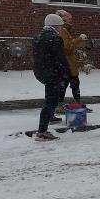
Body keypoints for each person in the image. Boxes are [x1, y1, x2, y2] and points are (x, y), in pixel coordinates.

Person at [32, 13, 71, 142]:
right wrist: (66, 73)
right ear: (55, 26)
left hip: (41, 73)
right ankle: (42, 132)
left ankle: (47, 121)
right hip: (52, 74)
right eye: (60, 26)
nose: (61, 29)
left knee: (51, 100)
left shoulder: (37, 37)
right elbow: (60, 58)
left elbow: (38, 58)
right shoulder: (55, 38)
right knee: (50, 102)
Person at [55, 9, 89, 111]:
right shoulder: (62, 31)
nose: (71, 20)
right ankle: (59, 106)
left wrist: (78, 56)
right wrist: (79, 39)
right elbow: (67, 48)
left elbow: (69, 48)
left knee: (74, 85)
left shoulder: (66, 30)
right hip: (66, 66)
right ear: (62, 19)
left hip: (70, 65)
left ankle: (77, 105)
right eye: (69, 18)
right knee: (64, 86)